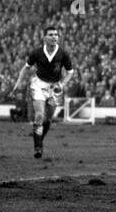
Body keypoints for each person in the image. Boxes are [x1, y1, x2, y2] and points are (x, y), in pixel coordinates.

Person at [10, 25, 75, 159]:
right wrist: (18, 83)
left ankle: (39, 138)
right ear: (44, 37)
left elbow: (70, 72)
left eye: (56, 35)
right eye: (50, 35)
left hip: (55, 88)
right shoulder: (37, 53)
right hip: (39, 84)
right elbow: (26, 68)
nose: (54, 37)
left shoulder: (63, 54)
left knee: (48, 119)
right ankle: (37, 147)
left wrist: (62, 84)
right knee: (39, 115)